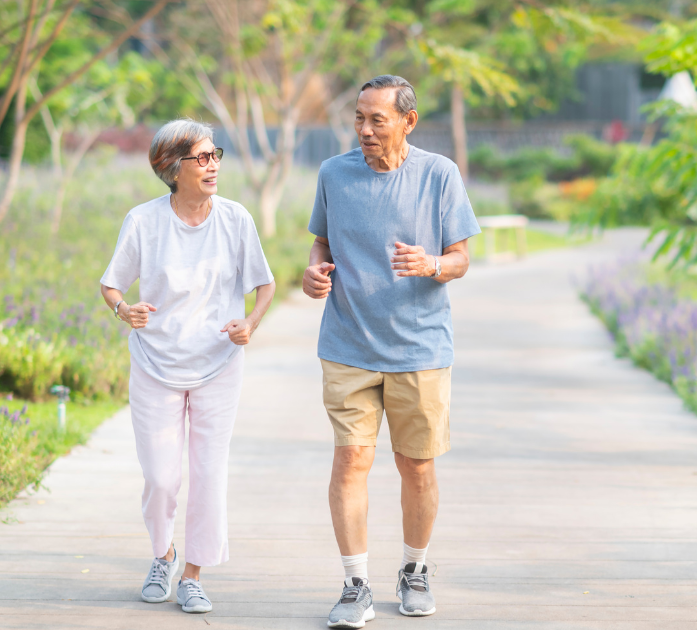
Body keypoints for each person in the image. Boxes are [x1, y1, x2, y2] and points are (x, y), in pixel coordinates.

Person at [304, 75, 480, 628]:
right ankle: (355, 584)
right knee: (351, 459)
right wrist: (313, 274)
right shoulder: (334, 173)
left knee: (417, 466)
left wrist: (430, 264)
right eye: (359, 117)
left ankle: (414, 570)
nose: (364, 129)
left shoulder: (439, 175)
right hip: (348, 343)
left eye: (376, 119)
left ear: (408, 121)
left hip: (420, 348)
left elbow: (460, 259)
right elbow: (321, 242)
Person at [99, 118, 275, 615]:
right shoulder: (143, 221)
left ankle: (194, 573)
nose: (213, 164)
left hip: (219, 365)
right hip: (156, 363)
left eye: (215, 154)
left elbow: (265, 284)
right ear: (172, 169)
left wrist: (250, 324)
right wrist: (123, 310)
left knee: (208, 473)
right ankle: (164, 555)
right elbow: (112, 284)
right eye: (201, 158)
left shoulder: (236, 219)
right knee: (160, 477)